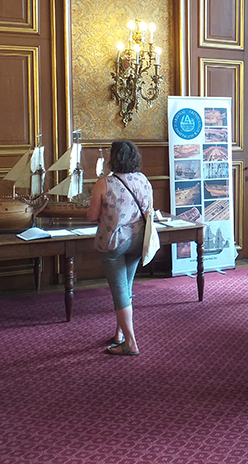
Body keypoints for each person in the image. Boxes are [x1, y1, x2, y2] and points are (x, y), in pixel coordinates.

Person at [87, 140, 153, 356]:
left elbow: (92, 216)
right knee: (126, 286)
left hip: (114, 243)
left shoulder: (104, 183)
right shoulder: (142, 179)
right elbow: (149, 209)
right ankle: (119, 334)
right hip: (139, 240)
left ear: (113, 158)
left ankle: (131, 343)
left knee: (120, 291)